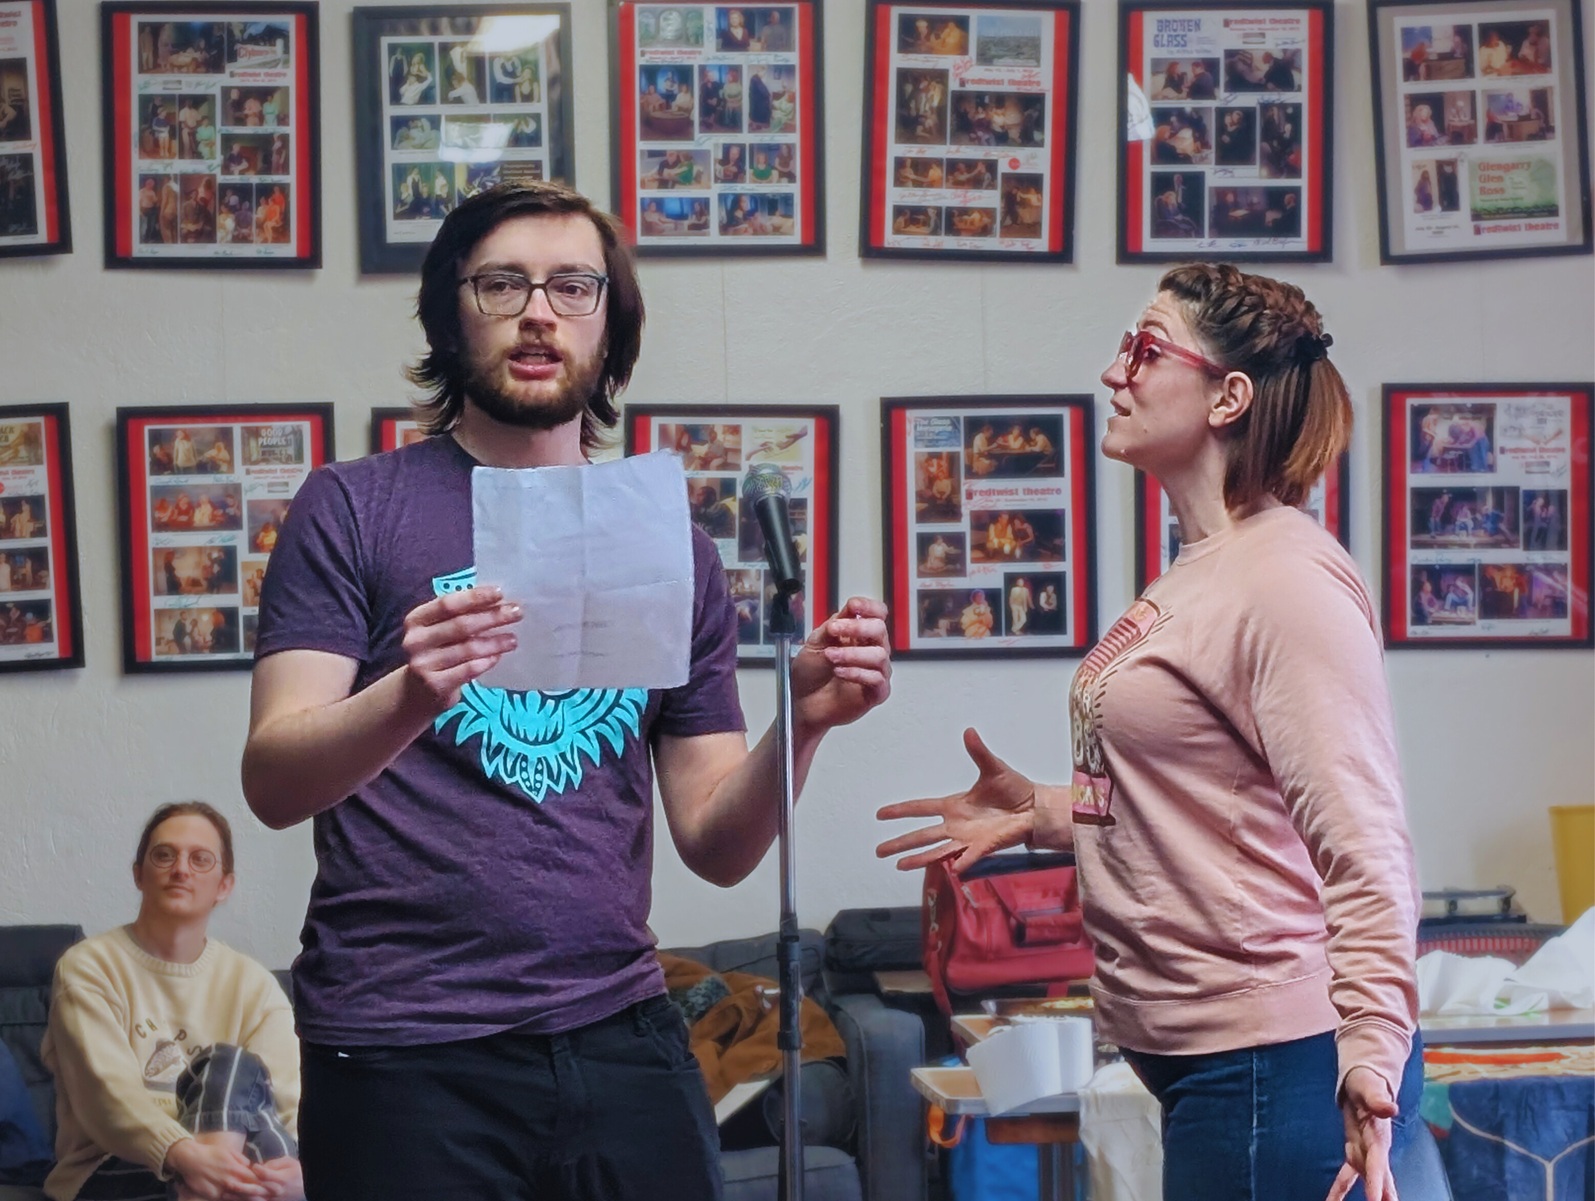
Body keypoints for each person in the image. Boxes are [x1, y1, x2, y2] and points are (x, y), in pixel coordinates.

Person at [241, 181, 892, 1201]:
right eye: (502, 284)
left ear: (609, 325)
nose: (538, 311)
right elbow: (275, 780)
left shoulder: (667, 544)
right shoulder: (353, 508)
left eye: (572, 286)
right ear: (450, 315)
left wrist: (801, 726)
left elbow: (716, 844)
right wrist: (412, 692)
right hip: (401, 1044)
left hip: (618, 1027)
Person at [878, 263, 1445, 1201]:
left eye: (1144, 350)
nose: (1115, 373)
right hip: (1222, 1070)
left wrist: (1373, 1051)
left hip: (1283, 1068)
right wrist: (1045, 812)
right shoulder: (1201, 569)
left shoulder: (1285, 581)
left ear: (1227, 397)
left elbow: (1366, 847)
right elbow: (1212, 800)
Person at [41, 803, 302, 1201]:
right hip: (114, 1167)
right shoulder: (89, 967)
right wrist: (186, 1156)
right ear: (138, 874)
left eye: (200, 859)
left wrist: (300, 1172)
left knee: (230, 1066)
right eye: (164, 855)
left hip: (236, 1169)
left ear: (224, 885)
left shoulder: (254, 986)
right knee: (226, 1065)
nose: (181, 869)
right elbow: (106, 1096)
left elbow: (286, 1104)